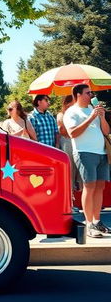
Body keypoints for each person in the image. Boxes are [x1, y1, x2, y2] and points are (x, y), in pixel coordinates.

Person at [63, 84, 110, 238]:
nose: (91, 95)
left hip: (101, 152)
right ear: (78, 94)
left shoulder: (92, 108)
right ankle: (88, 223)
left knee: (100, 187)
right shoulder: (72, 112)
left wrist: (101, 117)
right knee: (89, 187)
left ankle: (97, 221)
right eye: (88, 92)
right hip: (84, 152)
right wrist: (91, 118)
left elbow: (106, 131)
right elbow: (72, 133)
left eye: (91, 92)